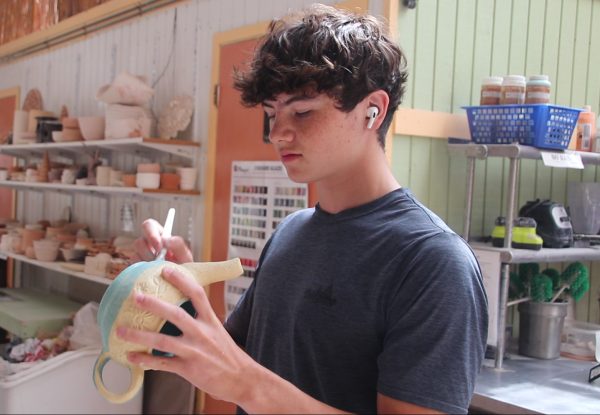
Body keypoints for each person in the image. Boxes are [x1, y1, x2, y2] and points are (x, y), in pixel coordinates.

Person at [123, 4, 488, 414]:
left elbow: (244, 379)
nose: (277, 133)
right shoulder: (291, 232)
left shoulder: (432, 262)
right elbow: (229, 361)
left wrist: (247, 385)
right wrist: (177, 290)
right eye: (271, 114)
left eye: (302, 111)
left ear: (374, 110)